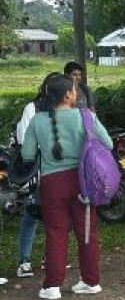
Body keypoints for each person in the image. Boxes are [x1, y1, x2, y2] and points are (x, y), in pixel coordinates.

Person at [21, 75, 111, 299]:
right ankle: (90, 281)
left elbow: (27, 154)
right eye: (74, 89)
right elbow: (108, 143)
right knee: (87, 232)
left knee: (55, 233)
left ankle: (52, 286)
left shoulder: (38, 120)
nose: (77, 93)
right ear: (68, 95)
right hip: (83, 181)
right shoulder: (86, 116)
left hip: (52, 183)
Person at [13, 72, 59, 278]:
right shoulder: (32, 108)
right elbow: (24, 139)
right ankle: (24, 260)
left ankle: (51, 258)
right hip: (37, 169)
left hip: (58, 169)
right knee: (32, 213)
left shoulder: (66, 109)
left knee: (56, 215)